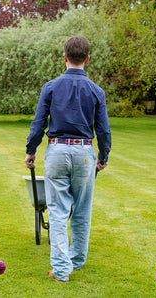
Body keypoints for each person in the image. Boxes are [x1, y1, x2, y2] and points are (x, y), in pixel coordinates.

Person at [25, 35, 111, 282]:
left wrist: (31, 150)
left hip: (57, 151)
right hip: (84, 152)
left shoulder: (50, 87)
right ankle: (74, 261)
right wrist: (103, 156)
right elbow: (103, 130)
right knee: (82, 211)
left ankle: (62, 269)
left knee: (58, 211)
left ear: (64, 57)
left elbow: (39, 122)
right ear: (87, 59)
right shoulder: (97, 91)